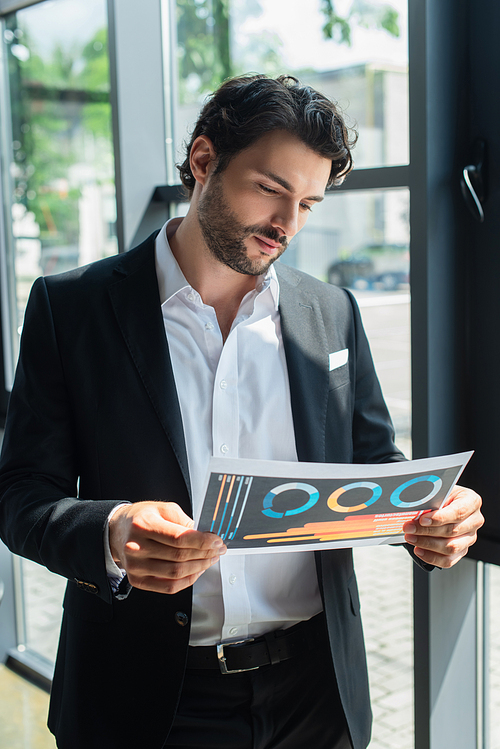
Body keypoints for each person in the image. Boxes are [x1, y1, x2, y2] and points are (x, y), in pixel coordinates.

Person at [0, 74, 483, 749]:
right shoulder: (70, 308)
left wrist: (434, 516)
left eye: (309, 204)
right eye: (272, 190)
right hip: (147, 700)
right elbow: (21, 493)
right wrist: (111, 530)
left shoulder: (331, 311)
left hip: (315, 695)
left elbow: (374, 465)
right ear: (204, 163)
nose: (288, 226)